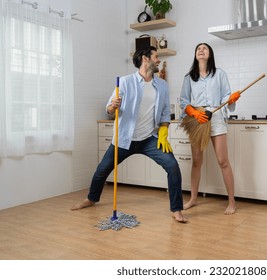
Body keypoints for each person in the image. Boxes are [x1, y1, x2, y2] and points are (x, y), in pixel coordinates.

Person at [71, 46, 187, 223]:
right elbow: (109, 109)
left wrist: (164, 131)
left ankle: (177, 209)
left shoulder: (162, 85)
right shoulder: (125, 82)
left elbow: (164, 111)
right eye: (156, 57)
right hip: (125, 138)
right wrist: (113, 106)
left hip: (150, 138)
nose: (158, 60)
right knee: (103, 169)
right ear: (145, 59)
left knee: (172, 166)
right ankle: (91, 199)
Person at [180, 43, 240, 215]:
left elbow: (226, 98)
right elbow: (184, 101)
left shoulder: (220, 74)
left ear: (210, 54)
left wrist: (232, 99)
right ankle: (193, 199)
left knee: (223, 161)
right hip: (197, 119)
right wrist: (194, 113)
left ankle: (231, 202)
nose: (201, 50)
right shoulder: (189, 77)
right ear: (195, 54)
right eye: (198, 48)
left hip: (216, 118)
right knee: (197, 161)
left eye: (204, 48)